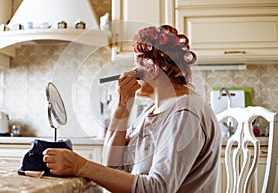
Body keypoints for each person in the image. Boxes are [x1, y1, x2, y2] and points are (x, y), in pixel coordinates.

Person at [43, 25, 222, 192]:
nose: (132, 71)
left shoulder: (185, 113)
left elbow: (158, 188)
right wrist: (123, 105)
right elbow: (112, 166)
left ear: (154, 68)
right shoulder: (152, 111)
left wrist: (81, 166)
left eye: (136, 64)